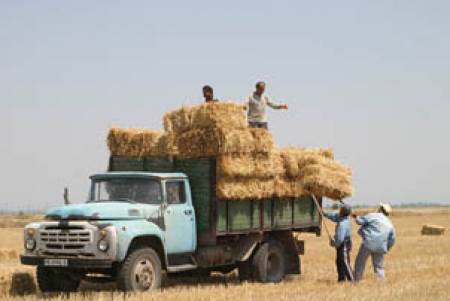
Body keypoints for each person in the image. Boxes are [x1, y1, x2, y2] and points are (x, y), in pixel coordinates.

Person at [352, 203, 396, 281]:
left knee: (360, 262)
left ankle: (356, 280)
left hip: (368, 243)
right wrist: (386, 248)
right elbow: (392, 240)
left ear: (381, 209)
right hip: (381, 246)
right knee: (379, 266)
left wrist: (355, 216)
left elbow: (360, 221)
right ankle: (381, 282)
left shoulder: (373, 215)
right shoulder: (390, 224)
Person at [324, 204, 354, 282]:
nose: (339, 211)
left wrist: (333, 243)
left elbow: (340, 239)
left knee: (344, 262)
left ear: (342, 212)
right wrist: (325, 214)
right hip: (346, 243)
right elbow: (334, 216)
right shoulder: (344, 218)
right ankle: (341, 280)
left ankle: (353, 280)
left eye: (340, 210)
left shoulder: (342, 224)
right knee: (339, 261)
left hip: (343, 244)